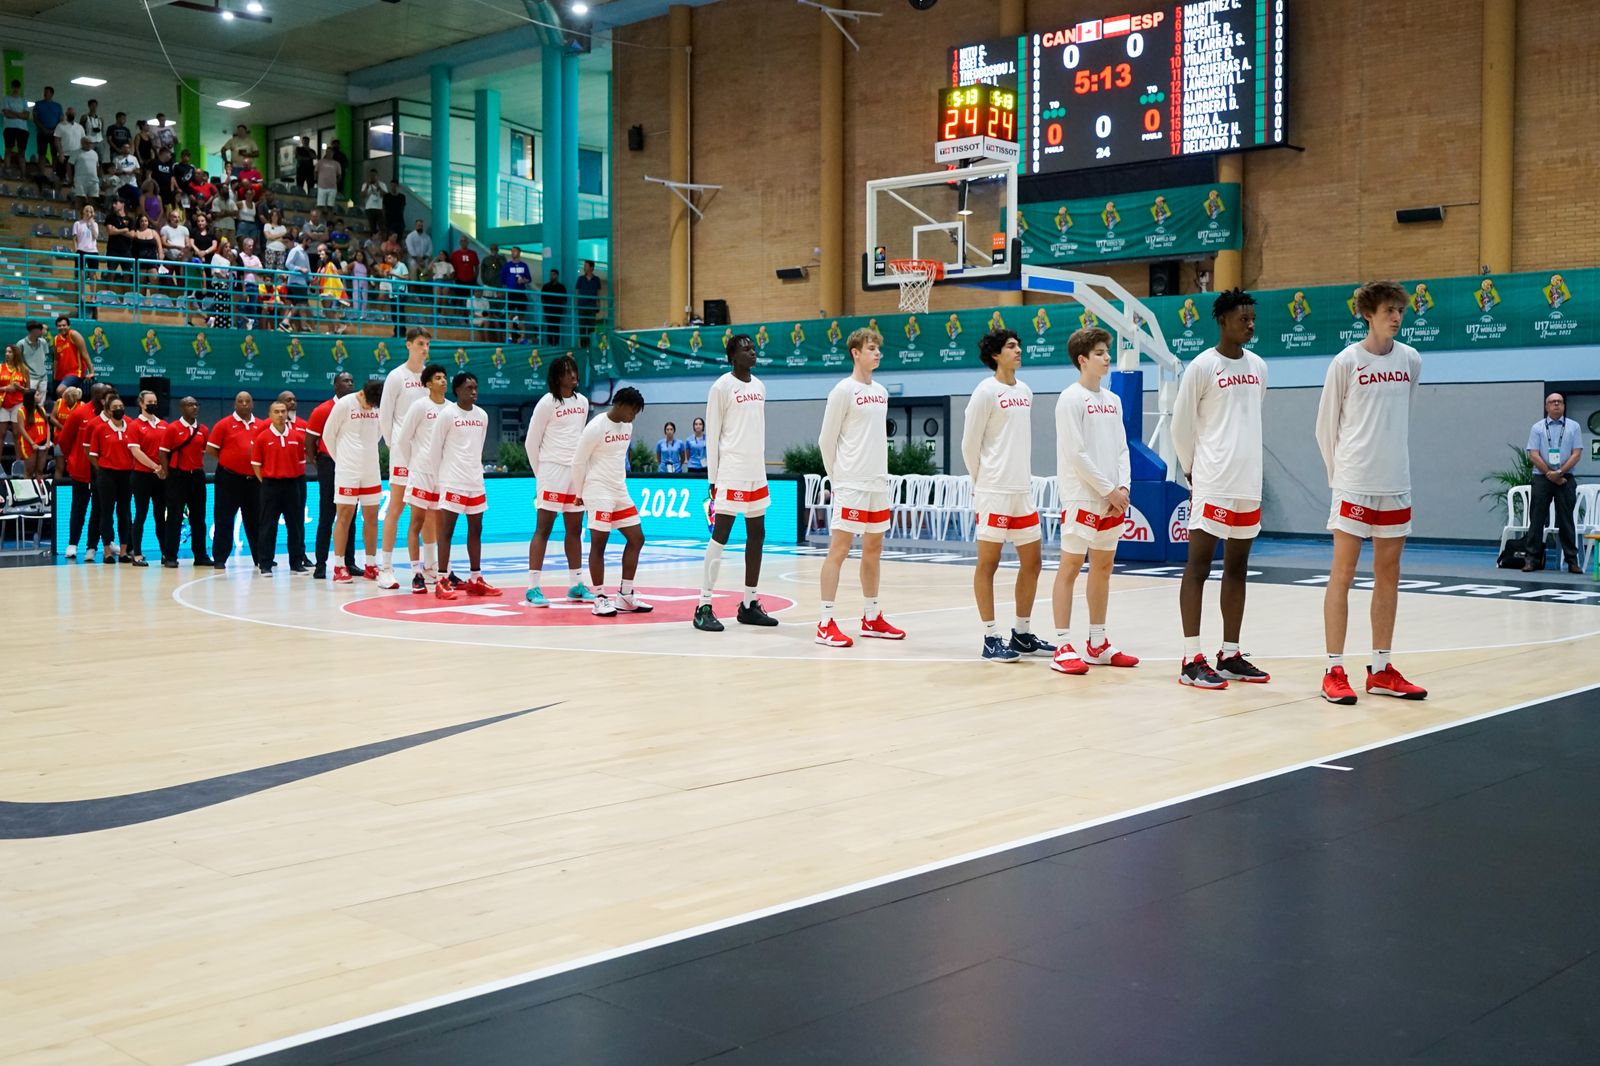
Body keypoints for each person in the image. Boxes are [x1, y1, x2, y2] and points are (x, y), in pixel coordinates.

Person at [1315, 280, 1429, 704]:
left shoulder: (1411, 360)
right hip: (1354, 483)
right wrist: (1340, 477)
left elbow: (1403, 414)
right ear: (1368, 313)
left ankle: (1381, 669)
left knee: (1389, 575)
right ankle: (1333, 669)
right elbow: (1325, 428)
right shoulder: (1346, 362)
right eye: (1388, 310)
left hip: (1396, 483)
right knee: (1342, 575)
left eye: (1400, 310)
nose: (1396, 317)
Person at [1171, 288, 1271, 690]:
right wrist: (1191, 469)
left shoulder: (1260, 366)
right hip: (1212, 480)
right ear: (1222, 321)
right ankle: (1190, 659)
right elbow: (1182, 425)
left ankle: (1229, 654)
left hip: (1248, 481)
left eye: (1252, 318)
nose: (1249, 324)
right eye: (1242, 318)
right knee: (1198, 566)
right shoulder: (1201, 366)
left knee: (1238, 567)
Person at [1050, 327, 1138, 676]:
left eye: (1107, 352)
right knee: (1070, 568)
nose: (1107, 358)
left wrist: (1124, 488)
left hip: (1112, 499)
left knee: (1103, 568)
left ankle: (1097, 643)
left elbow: (1121, 448)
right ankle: (1061, 645)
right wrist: (1107, 491)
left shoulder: (1113, 400)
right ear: (1082, 360)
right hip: (1082, 497)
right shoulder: (1070, 399)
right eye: (1100, 353)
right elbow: (1076, 454)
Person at [961, 329, 1050, 663]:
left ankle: (1022, 633)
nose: (1018, 350)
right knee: (989, 563)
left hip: (1021, 491)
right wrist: (980, 482)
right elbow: (969, 444)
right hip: (993, 490)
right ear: (996, 355)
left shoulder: (1025, 391)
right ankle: (990, 638)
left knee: (1033, 562)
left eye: (1019, 345)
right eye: (1011, 346)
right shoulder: (985, 391)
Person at [815, 327, 903, 647]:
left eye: (878, 348)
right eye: (871, 348)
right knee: (838, 550)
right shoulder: (842, 390)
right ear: (855, 353)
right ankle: (824, 622)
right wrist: (836, 479)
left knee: (874, 550)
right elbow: (826, 440)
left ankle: (871, 616)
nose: (877, 353)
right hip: (850, 483)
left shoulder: (881, 391)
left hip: (878, 482)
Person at [693, 334, 777, 631]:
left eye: (753, 348)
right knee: (721, 535)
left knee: (758, 534)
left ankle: (749, 604)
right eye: (745, 349)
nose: (752, 352)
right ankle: (703, 604)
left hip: (756, 471)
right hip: (730, 471)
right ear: (732, 356)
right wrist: (713, 479)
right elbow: (712, 435)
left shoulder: (760, 386)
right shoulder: (721, 387)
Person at [571, 387, 652, 617]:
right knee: (600, 543)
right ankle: (599, 598)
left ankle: (625, 595)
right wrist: (579, 492)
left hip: (619, 489)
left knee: (637, 538)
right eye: (633, 410)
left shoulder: (628, 425)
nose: (634, 416)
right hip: (597, 490)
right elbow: (578, 461)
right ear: (620, 404)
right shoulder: (596, 426)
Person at [523, 354, 594, 607]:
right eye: (567, 371)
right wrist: (540, 474)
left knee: (575, 529)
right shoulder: (546, 403)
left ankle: (576, 584)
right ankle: (532, 588)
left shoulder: (583, 402)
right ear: (556, 376)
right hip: (551, 471)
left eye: (574, 370)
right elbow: (531, 442)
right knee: (544, 528)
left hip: (575, 472)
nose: (573, 375)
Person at [422, 371, 500, 597]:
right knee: (446, 531)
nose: (474, 392)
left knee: (476, 530)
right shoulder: (447, 415)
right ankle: (441, 580)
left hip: (475, 481)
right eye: (469, 388)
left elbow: (477, 448)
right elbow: (435, 450)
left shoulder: (483, 415)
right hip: (452, 481)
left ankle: (475, 579)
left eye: (476, 387)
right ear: (457, 390)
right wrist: (441, 480)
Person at [376, 326, 432, 589]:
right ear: (408, 345)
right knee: (396, 508)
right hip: (402, 455)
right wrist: (396, 446)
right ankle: (385, 568)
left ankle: (430, 568)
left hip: (427, 456)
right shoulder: (396, 376)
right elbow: (385, 417)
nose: (424, 349)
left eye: (427, 345)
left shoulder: (431, 378)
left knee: (429, 511)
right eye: (420, 344)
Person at [392, 363, 451, 596]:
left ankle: (432, 569)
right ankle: (416, 572)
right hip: (420, 473)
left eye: (444, 377)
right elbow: (403, 440)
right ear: (427, 384)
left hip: (442, 475)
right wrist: (414, 464)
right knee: (416, 522)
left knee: (439, 524)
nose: (443, 381)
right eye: (438, 378)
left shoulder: (451, 408)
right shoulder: (419, 407)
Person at [319, 378, 384, 583]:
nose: (371, 408)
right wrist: (343, 459)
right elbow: (328, 436)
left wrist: (365, 454)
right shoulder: (345, 404)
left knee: (371, 517)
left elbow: (378, 434)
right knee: (344, 516)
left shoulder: (376, 407)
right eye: (369, 403)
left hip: (371, 469)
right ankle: (339, 566)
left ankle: (371, 564)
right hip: (347, 470)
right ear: (362, 393)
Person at [1521, 392, 1583, 574]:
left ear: (1563, 406)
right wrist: (1550, 473)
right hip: (1542, 477)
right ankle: (1532, 560)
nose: (1556, 404)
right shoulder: (1538, 428)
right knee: (1537, 519)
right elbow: (1533, 454)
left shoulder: (1574, 427)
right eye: (1552, 402)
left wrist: (1560, 472)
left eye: (1559, 402)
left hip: (1566, 477)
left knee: (1566, 520)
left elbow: (1577, 453)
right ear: (1546, 407)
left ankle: (1571, 561)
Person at [305, 371, 358, 579]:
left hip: (351, 464)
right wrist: (319, 463)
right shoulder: (323, 410)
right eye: (345, 381)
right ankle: (320, 564)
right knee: (327, 515)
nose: (350, 384)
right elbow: (309, 442)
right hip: (329, 464)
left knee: (350, 515)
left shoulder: (357, 408)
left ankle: (349, 562)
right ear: (335, 385)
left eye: (352, 380)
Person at [250, 400, 310, 575]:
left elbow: (301, 462)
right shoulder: (262, 438)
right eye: (276, 412)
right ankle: (266, 564)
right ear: (270, 415)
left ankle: (296, 563)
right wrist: (266, 481)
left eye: (283, 411)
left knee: (295, 526)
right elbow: (256, 464)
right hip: (270, 486)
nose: (281, 415)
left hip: (292, 485)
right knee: (268, 526)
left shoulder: (297, 437)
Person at [206, 391, 262, 569]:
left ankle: (261, 558)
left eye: (247, 401)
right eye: (240, 401)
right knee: (224, 519)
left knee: (256, 521)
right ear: (234, 404)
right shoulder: (223, 425)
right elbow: (212, 450)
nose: (244, 404)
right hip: (228, 479)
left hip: (254, 481)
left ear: (252, 404)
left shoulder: (261, 425)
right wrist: (231, 461)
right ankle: (220, 558)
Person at [158, 395, 212, 568]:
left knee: (199, 518)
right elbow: (163, 453)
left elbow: (203, 451)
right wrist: (167, 472)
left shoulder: (203, 429)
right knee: (174, 517)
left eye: (196, 404)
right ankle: (170, 556)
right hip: (177, 476)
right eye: (190, 405)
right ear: (182, 408)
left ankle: (201, 555)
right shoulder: (173, 428)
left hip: (196, 476)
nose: (194, 407)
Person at [58, 382, 107, 560]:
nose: (106, 398)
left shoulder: (108, 416)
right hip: (81, 470)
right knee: (78, 507)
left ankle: (92, 546)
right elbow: (64, 440)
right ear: (95, 396)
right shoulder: (79, 413)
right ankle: (72, 544)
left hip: (102, 471)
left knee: (99, 509)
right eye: (104, 395)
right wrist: (73, 458)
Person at [88, 394, 137, 563]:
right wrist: (102, 469)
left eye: (121, 407)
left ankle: (124, 551)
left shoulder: (131, 426)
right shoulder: (100, 429)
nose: (119, 410)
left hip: (126, 475)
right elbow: (93, 455)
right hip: (107, 475)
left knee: (125, 513)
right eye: (115, 408)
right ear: (108, 411)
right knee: (106, 513)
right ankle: (107, 551)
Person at [126, 389, 169, 568]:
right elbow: (136, 452)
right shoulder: (135, 425)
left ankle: (166, 553)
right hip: (142, 476)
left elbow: (167, 450)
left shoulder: (164, 425)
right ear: (141, 404)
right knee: (141, 514)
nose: (152, 404)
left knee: (161, 516)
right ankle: (137, 554)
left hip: (161, 477)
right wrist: (155, 467)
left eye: (155, 401)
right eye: (149, 401)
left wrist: (164, 469)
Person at [0, 344, 28, 459]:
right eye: (6, 352)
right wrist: (5, 389)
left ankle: (19, 463)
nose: (7, 354)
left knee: (17, 434)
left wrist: (19, 388)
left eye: (10, 352)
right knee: (1, 434)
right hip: (3, 404)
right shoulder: (1, 368)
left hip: (18, 404)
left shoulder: (23, 369)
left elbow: (28, 391)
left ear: (15, 354)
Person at [53, 315, 93, 393]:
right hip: (60, 375)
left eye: (64, 325)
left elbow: (84, 353)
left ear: (69, 326)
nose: (62, 327)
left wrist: (91, 372)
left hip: (75, 372)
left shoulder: (73, 334)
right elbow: (56, 360)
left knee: (60, 390)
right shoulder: (56, 339)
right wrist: (55, 375)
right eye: (59, 326)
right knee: (58, 396)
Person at [500, 247, 533, 341]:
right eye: (512, 251)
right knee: (509, 316)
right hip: (511, 293)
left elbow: (529, 279)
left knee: (521, 317)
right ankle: (509, 337)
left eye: (514, 251)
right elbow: (502, 279)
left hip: (521, 293)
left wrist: (523, 280)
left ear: (519, 253)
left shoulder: (524, 265)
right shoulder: (507, 266)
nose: (512, 253)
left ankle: (522, 338)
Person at [17, 389, 51, 478]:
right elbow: (21, 429)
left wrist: (48, 442)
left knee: (40, 471)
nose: (39, 396)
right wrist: (32, 443)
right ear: (31, 398)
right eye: (37, 395)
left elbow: (47, 426)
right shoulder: (21, 411)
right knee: (29, 471)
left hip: (43, 443)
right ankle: (27, 491)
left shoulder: (41, 410)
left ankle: (39, 491)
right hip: (29, 444)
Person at [16, 320, 50, 403]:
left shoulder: (43, 342)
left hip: (43, 377)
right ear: (33, 330)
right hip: (30, 378)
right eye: (40, 329)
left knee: (41, 403)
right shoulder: (21, 344)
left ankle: (39, 416)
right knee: (29, 402)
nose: (42, 331)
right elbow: (17, 362)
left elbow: (44, 355)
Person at [574, 260, 603, 347]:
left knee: (591, 327)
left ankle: (591, 346)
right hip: (582, 306)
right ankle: (583, 347)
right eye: (584, 266)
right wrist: (576, 304)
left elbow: (598, 293)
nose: (584, 267)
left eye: (586, 266)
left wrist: (598, 304)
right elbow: (577, 292)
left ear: (591, 267)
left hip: (591, 306)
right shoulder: (580, 279)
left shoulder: (596, 279)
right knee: (582, 328)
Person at [2, 80, 29, 171]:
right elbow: (7, 114)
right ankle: (7, 171)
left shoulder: (23, 100)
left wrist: (13, 112)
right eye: (14, 86)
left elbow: (26, 116)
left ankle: (23, 174)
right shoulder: (6, 98)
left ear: (19, 88)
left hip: (22, 129)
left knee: (21, 153)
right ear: (12, 87)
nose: (16, 89)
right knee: (8, 150)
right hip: (10, 127)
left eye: (17, 87)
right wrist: (20, 114)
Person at [31, 88, 61, 168]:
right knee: (41, 153)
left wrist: (54, 130)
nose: (44, 94)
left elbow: (61, 120)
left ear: (51, 94)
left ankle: (54, 172)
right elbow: (35, 118)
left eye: (46, 92)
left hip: (54, 133)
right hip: (41, 133)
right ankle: (42, 173)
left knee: (54, 153)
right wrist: (44, 129)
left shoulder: (57, 106)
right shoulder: (38, 104)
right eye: (44, 92)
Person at [449, 237, 478, 307]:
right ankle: (459, 315)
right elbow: (451, 267)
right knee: (459, 299)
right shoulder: (455, 254)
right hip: (459, 280)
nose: (463, 242)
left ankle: (468, 314)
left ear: (468, 242)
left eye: (465, 241)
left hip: (470, 280)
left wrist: (475, 277)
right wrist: (453, 277)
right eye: (461, 241)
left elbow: (476, 266)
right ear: (459, 243)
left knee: (470, 299)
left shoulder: (473, 253)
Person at [540, 268, 567, 344]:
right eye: (551, 274)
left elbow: (565, 299)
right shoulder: (546, 287)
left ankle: (556, 343)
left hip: (557, 311)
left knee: (556, 327)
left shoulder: (561, 287)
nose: (551, 276)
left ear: (557, 276)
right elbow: (542, 299)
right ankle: (550, 343)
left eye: (553, 274)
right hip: (548, 311)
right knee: (549, 327)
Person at [360, 170, 386, 235]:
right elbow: (362, 195)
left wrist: (379, 187)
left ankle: (382, 241)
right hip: (369, 208)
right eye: (371, 175)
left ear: (377, 176)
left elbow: (386, 196)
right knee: (372, 228)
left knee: (382, 227)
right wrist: (367, 186)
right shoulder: (365, 184)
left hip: (379, 208)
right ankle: (373, 240)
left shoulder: (382, 184)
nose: (372, 177)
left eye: (374, 175)